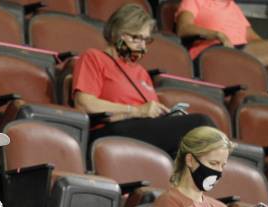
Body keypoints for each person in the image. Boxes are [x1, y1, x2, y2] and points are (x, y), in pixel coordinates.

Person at [73, 4, 214, 156]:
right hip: (110, 130)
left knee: (189, 151)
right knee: (201, 124)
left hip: (141, 131)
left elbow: (149, 116)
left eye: (146, 40)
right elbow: (84, 104)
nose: (142, 46)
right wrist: (136, 110)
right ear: (116, 33)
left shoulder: (141, 72)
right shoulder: (94, 57)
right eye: (136, 38)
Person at [176, 0, 268, 66]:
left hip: (240, 51)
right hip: (214, 51)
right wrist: (217, 34)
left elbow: (254, 39)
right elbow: (183, 28)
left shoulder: (233, 7)